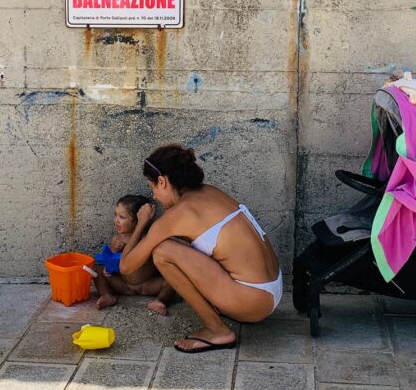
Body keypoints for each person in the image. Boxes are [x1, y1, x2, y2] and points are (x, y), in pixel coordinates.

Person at [119, 144, 283, 353]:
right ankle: (225, 309)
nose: (154, 196)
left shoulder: (177, 215)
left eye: (152, 187)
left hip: (252, 301)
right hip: (272, 289)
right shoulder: (210, 191)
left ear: (162, 181)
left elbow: (126, 267)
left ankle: (217, 330)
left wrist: (142, 222)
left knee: (163, 252)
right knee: (180, 248)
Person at [92, 194, 175, 314]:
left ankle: (160, 300)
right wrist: (108, 269)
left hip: (147, 285)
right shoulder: (117, 240)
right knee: (97, 270)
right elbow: (110, 260)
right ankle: (106, 295)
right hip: (124, 285)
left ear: (137, 222)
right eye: (115, 215)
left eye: (122, 217)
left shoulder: (146, 238)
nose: (116, 220)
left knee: (173, 280)